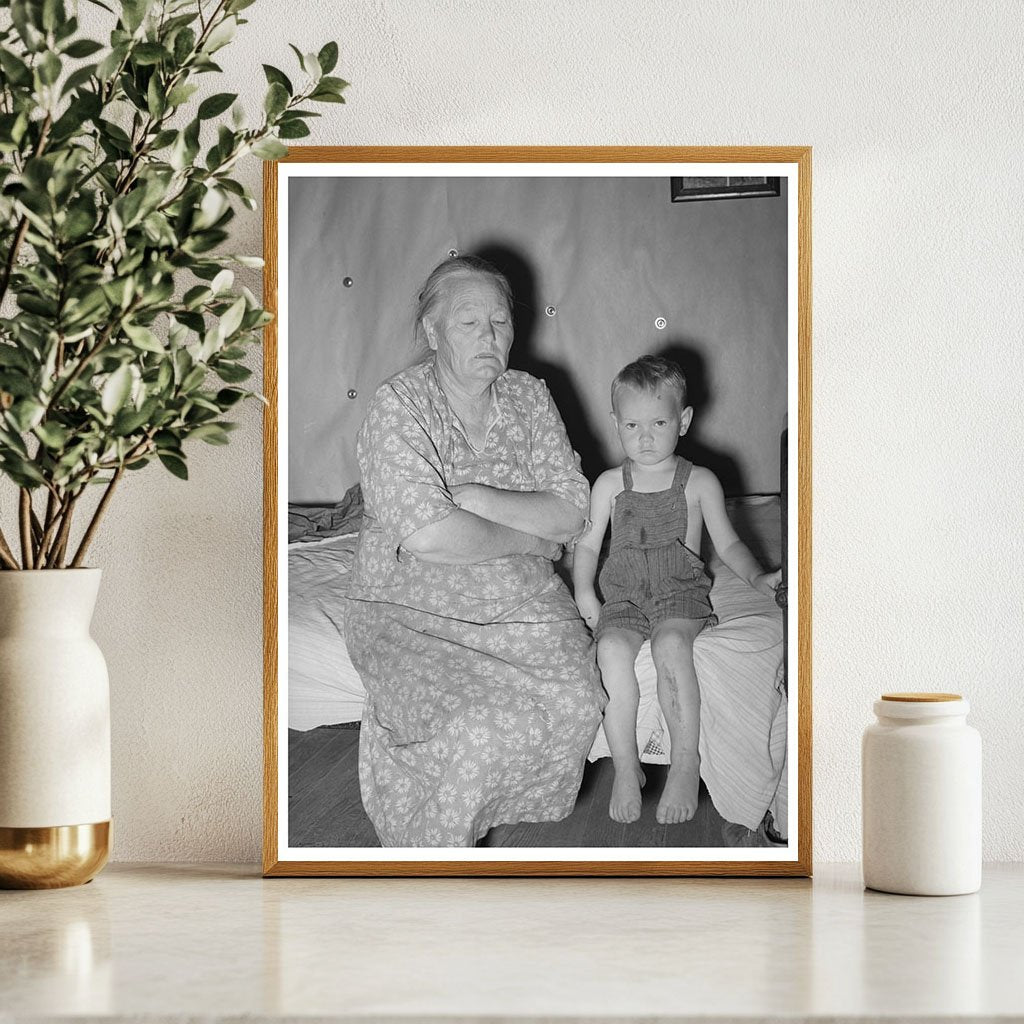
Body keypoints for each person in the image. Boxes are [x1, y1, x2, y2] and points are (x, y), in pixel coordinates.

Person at [345, 255, 606, 847]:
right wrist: (532, 536)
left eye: (501, 321)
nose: (491, 336)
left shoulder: (530, 396)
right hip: (411, 606)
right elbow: (428, 534)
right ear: (432, 332)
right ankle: (434, 863)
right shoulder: (400, 403)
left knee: (575, 701)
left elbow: (573, 508)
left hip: (523, 602)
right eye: (470, 323)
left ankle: (490, 818)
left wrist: (479, 498)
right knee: (472, 731)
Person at [572, 355, 780, 826]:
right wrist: (586, 591)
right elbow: (587, 545)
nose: (644, 437)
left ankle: (686, 761)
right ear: (615, 424)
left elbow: (727, 542)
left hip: (677, 590)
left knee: (670, 644)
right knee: (610, 652)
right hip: (623, 594)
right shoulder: (607, 484)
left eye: (659, 422)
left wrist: (756, 578)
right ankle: (627, 765)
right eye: (632, 425)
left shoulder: (699, 481)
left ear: (683, 421)